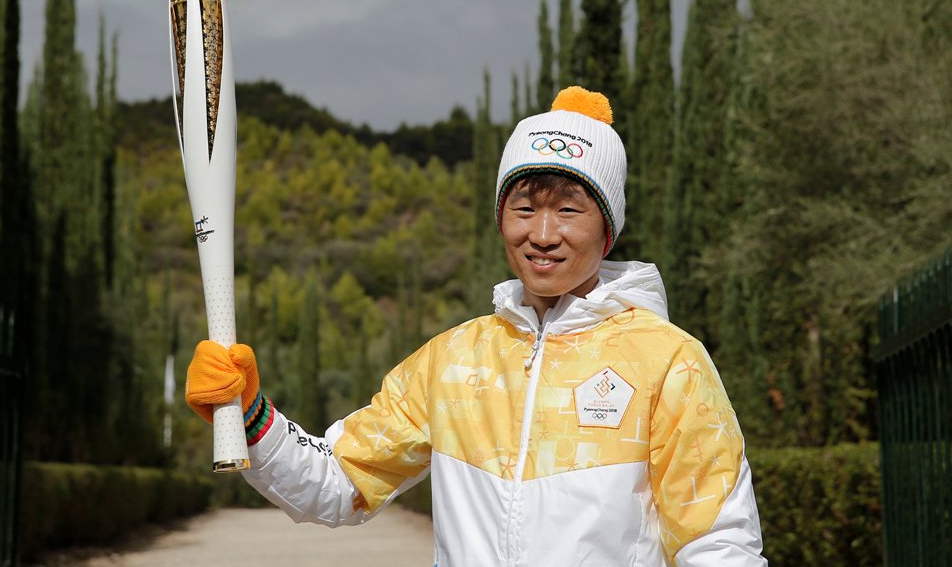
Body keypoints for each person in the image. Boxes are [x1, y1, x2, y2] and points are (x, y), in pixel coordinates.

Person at [185, 86, 767, 566]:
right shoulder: (455, 360)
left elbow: (719, 542)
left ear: (607, 228)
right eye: (522, 208)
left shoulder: (668, 362)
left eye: (568, 209)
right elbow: (339, 484)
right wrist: (250, 412)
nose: (542, 234)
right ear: (499, 219)